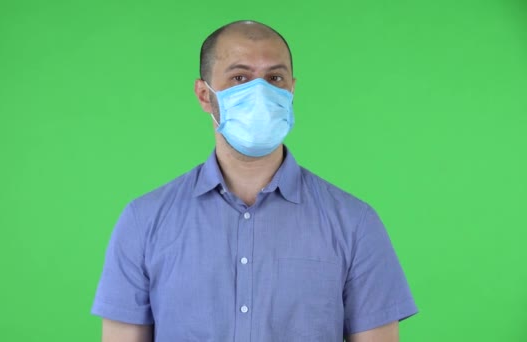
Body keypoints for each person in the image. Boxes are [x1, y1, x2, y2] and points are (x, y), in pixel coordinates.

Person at [91, 20, 418, 342]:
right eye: (240, 77)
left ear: (292, 90)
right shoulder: (143, 222)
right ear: (205, 95)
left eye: (274, 77)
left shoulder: (355, 223)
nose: (260, 91)